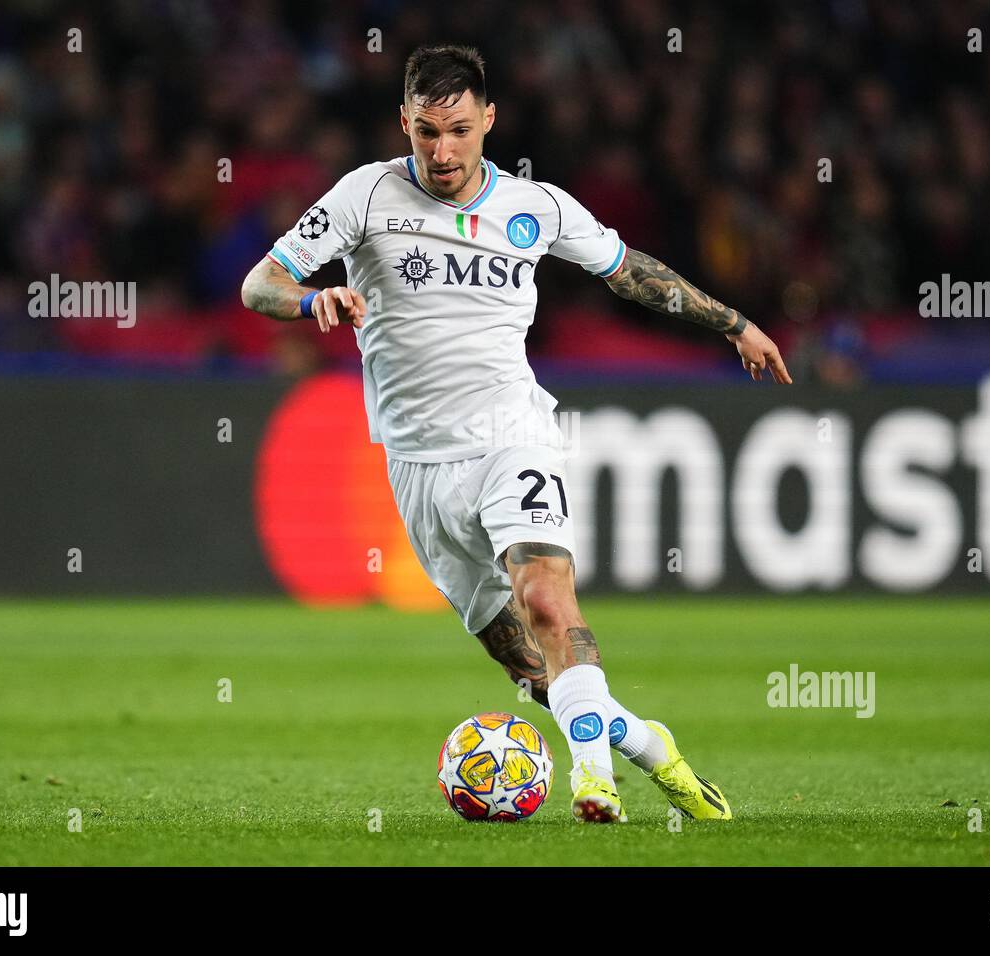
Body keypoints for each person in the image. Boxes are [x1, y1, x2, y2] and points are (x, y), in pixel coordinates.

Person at [242, 43, 791, 823]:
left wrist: (732, 323)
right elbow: (259, 282)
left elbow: (630, 270)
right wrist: (310, 301)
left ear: (489, 121)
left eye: (459, 130)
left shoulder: (539, 207)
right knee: (530, 670)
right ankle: (646, 742)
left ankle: (593, 780)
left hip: (511, 432)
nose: (442, 150)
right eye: (426, 132)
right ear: (404, 121)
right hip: (416, 466)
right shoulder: (364, 196)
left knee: (545, 595)